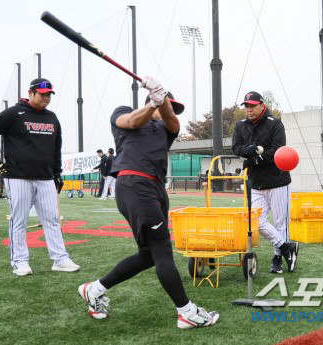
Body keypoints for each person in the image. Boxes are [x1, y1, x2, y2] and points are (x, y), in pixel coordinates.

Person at [78, 76, 219, 329]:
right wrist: (154, 102)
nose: (170, 112)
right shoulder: (124, 113)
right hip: (135, 184)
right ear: (149, 101)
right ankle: (186, 311)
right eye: (167, 105)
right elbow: (131, 121)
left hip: (154, 189)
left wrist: (161, 100)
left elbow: (173, 122)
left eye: (171, 107)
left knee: (149, 255)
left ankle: (94, 289)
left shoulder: (168, 129)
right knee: (162, 249)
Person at [0, 78, 80, 275]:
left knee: (52, 220)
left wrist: (57, 173)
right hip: (17, 177)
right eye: (42, 94)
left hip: (45, 178)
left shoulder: (52, 117)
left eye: (49, 94)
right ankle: (20, 262)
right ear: (31, 93)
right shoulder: (14, 113)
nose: (46, 97)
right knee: (19, 220)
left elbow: (56, 148)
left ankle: (60, 259)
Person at [232, 91, 299, 274]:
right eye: (246, 106)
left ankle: (277, 258)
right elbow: (236, 148)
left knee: (280, 222)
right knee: (257, 222)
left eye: (252, 105)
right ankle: (287, 248)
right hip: (256, 183)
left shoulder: (275, 124)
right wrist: (250, 150)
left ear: (262, 105)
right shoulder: (241, 125)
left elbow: (277, 152)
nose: (249, 109)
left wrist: (251, 159)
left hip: (278, 181)